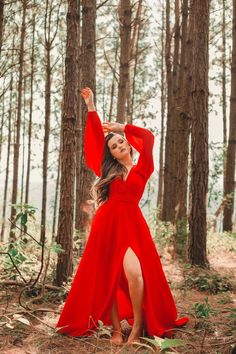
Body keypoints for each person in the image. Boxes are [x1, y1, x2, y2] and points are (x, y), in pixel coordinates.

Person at [56, 87, 189, 345]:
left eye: (119, 142)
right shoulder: (108, 170)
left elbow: (149, 138)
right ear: (113, 154)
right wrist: (91, 107)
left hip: (132, 225)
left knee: (135, 273)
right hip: (106, 225)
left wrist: (123, 126)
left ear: (127, 144)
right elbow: (94, 146)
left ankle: (137, 324)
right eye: (114, 147)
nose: (117, 147)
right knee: (109, 276)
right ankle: (117, 330)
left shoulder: (142, 169)